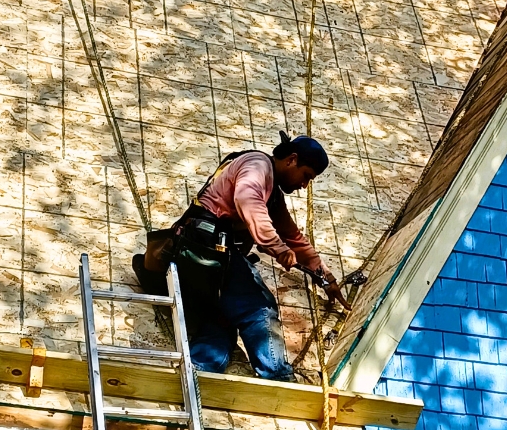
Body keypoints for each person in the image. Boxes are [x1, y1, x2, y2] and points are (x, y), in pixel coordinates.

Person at [134, 133, 349, 381]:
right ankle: (276, 374)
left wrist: (326, 278)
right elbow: (248, 199)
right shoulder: (257, 166)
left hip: (201, 257)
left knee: (222, 318)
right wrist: (277, 248)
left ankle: (200, 370)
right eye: (306, 176)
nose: (304, 185)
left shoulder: (273, 194)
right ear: (292, 159)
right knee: (258, 306)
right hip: (206, 247)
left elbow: (294, 238)